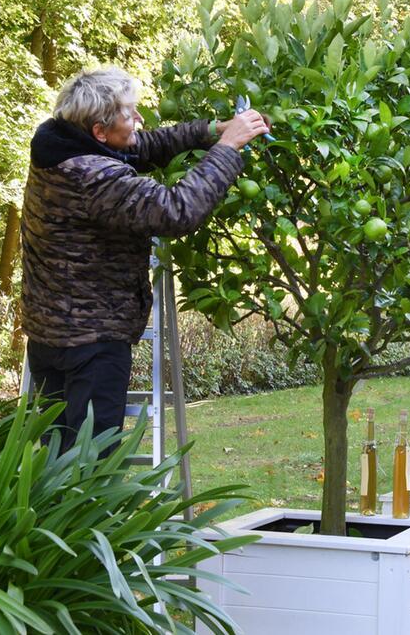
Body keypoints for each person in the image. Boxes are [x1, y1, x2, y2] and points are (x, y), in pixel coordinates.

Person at [21, 67, 270, 456]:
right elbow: (176, 210)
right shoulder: (92, 175)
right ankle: (92, 519)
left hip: (49, 333)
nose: (139, 119)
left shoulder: (62, 143)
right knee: (90, 463)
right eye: (129, 114)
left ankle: (55, 519)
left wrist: (212, 131)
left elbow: (143, 146)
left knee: (56, 457)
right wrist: (227, 150)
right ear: (101, 131)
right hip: (91, 340)